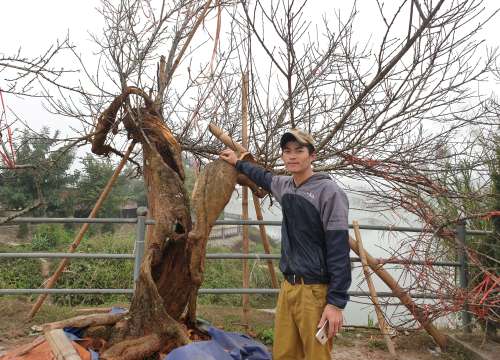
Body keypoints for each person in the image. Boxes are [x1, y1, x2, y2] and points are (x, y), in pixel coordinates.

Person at [219, 128, 351, 360]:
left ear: (312, 156)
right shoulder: (285, 186)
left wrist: (336, 303)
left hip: (315, 290)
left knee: (316, 355)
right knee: (284, 353)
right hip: (288, 286)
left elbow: (339, 249)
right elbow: (262, 176)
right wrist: (238, 162)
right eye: (287, 151)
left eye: (299, 151)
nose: (292, 156)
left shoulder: (329, 192)